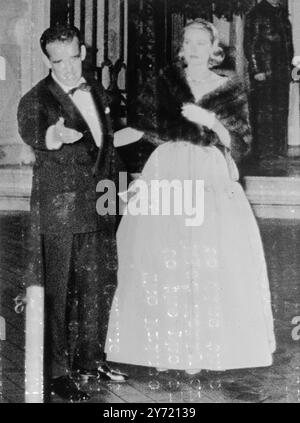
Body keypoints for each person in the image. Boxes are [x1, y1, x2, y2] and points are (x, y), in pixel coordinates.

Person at [105, 19, 276, 373]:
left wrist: (211, 122)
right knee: (161, 254)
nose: (195, 48)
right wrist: (102, 144)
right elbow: (141, 128)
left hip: (209, 173)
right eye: (189, 41)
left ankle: (201, 350)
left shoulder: (231, 89)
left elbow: (241, 143)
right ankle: (166, 349)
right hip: (167, 169)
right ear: (182, 47)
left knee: (206, 256)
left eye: (202, 42)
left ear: (214, 49)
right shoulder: (165, 84)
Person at [17, 24, 128, 402]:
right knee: (58, 292)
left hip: (99, 205)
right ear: (47, 60)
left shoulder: (95, 89)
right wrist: (53, 136)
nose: (67, 68)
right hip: (59, 212)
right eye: (58, 61)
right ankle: (57, 372)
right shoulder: (36, 99)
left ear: (85, 52)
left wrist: (114, 200)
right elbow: (34, 130)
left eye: (74, 57)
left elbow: (107, 150)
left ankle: (90, 358)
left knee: (98, 286)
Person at [244, 0, 294, 160]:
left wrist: (291, 70)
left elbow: (288, 46)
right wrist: (257, 69)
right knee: (263, 112)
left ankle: (278, 151)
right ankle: (263, 152)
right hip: (264, 72)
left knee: (280, 111)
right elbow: (250, 44)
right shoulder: (256, 13)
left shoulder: (282, 14)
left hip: (281, 73)